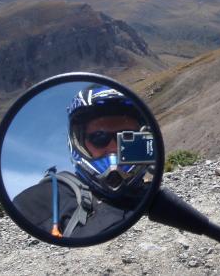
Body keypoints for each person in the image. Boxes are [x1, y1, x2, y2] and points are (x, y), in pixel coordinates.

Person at [13, 86, 151, 238]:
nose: (113, 149)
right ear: (78, 143)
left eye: (127, 137)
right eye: (99, 137)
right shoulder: (42, 200)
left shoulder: (157, 198)